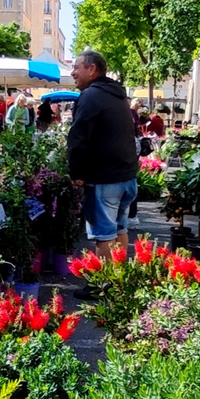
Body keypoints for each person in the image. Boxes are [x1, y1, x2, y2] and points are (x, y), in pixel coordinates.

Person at [68, 50, 139, 260]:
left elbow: (78, 138)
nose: (73, 73)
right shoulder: (118, 95)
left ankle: (103, 288)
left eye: (76, 67)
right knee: (120, 229)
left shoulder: (90, 96)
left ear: (92, 69)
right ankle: (118, 282)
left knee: (104, 234)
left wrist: (76, 172)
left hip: (104, 178)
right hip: (125, 175)